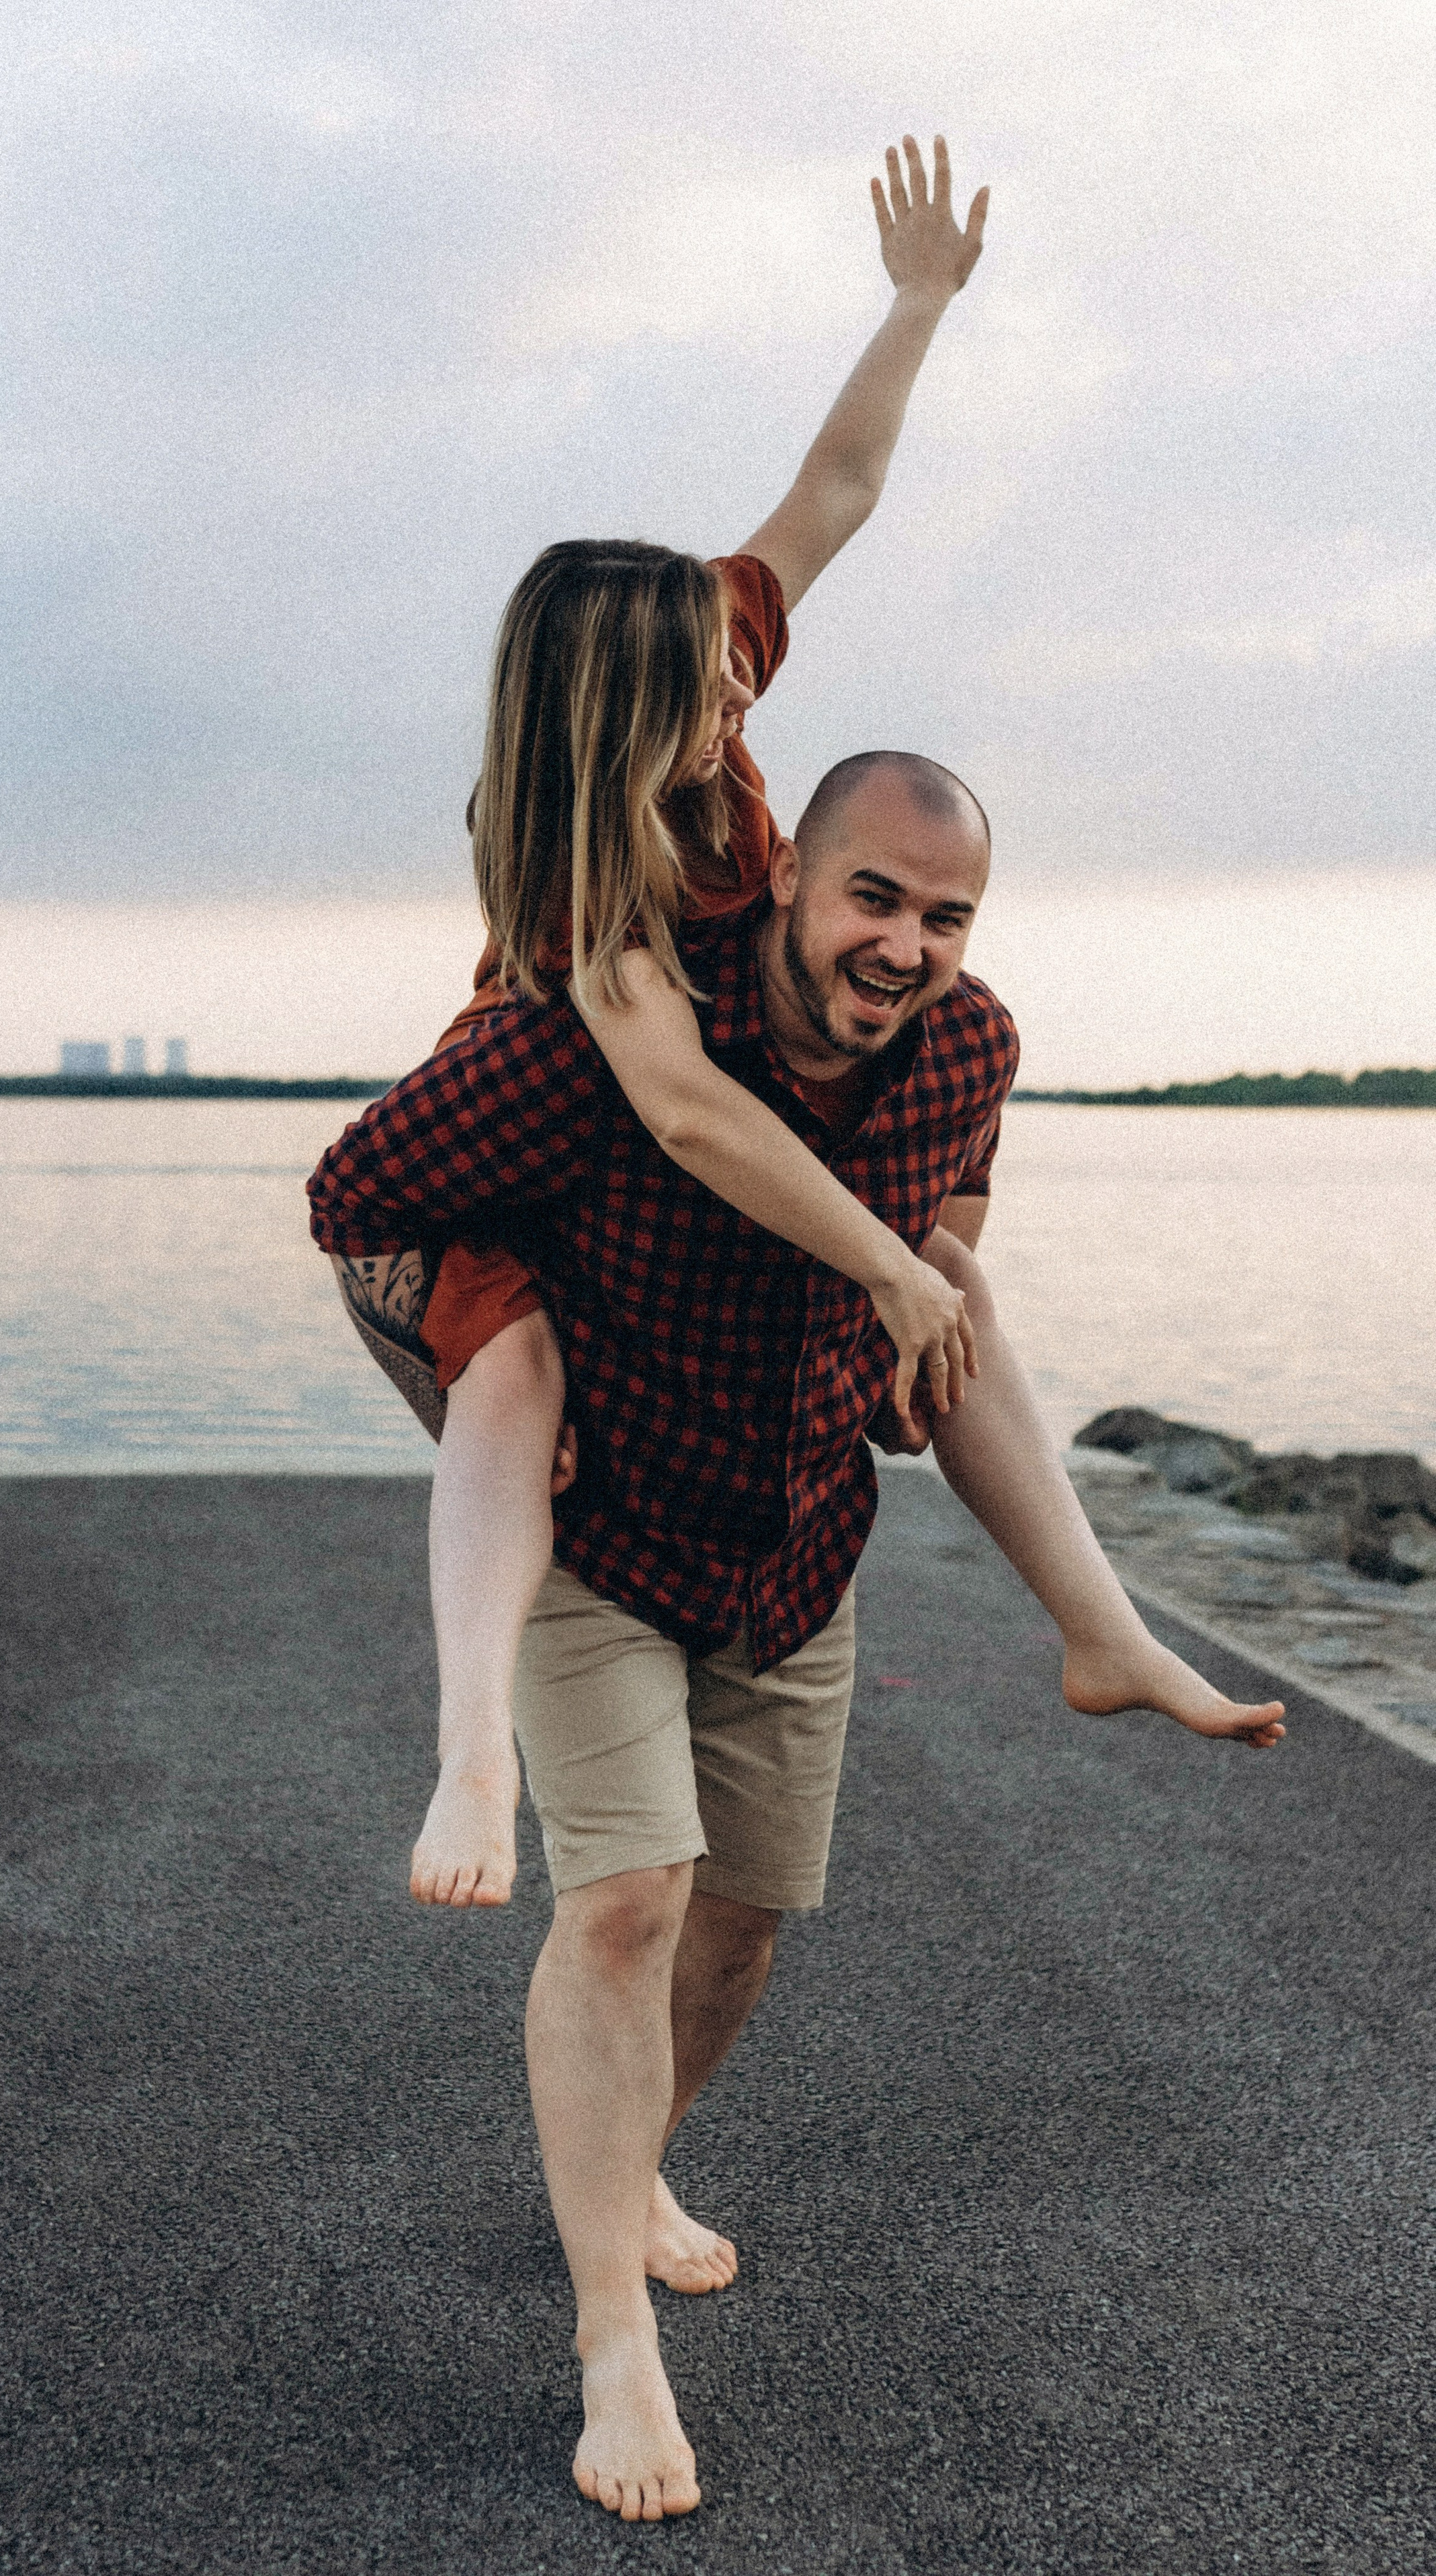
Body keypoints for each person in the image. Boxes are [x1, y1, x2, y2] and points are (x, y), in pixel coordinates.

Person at [308, 743, 1286, 2521]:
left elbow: (947, 1270)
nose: (910, 944)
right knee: (625, 1899)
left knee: (742, 1924)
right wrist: (474, 1369)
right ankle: (615, 2338)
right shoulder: (592, 1042)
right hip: (597, 1536)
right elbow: (355, 1192)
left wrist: (928, 1303)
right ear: (783, 881)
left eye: (948, 913)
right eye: (876, 896)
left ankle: (629, 2168)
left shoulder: (971, 1048)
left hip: (795, 1547)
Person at [335, 139, 1276, 1929]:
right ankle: (473, 1743)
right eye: (715, 684)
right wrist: (885, 1269)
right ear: (623, 718)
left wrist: (919, 301)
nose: (748, 683)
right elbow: (685, 1114)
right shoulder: (586, 893)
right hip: (507, 1178)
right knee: (523, 1388)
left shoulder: (713, 650)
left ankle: (1099, 1626)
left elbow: (836, 485)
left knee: (948, 1280)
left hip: (675, 1138)